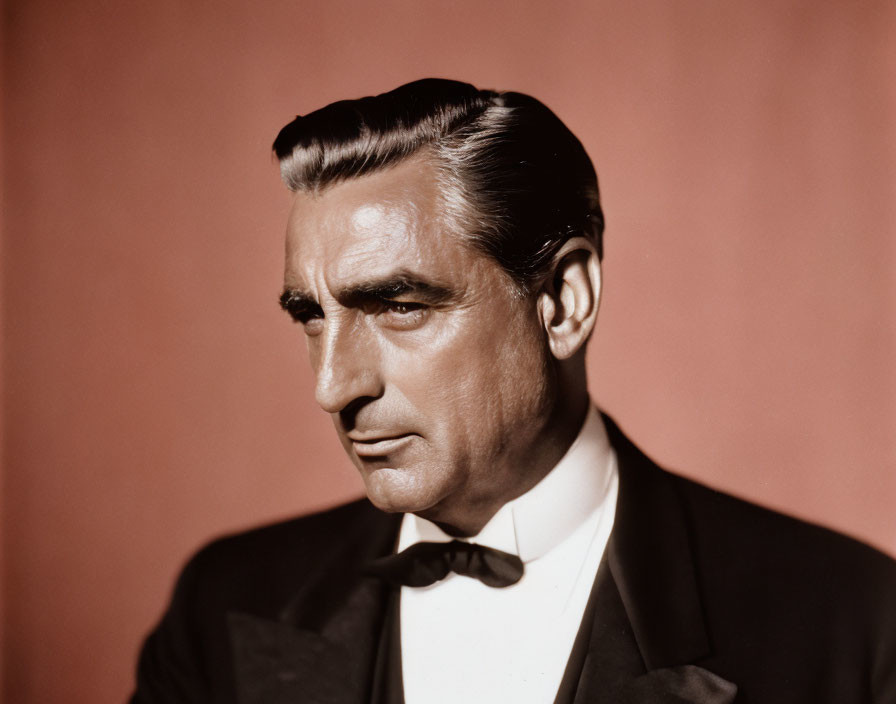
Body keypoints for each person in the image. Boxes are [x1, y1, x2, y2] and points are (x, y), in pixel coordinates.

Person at [131, 79, 896, 704]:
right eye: (310, 317)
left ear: (563, 301)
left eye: (400, 306)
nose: (333, 387)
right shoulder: (224, 604)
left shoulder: (851, 619)